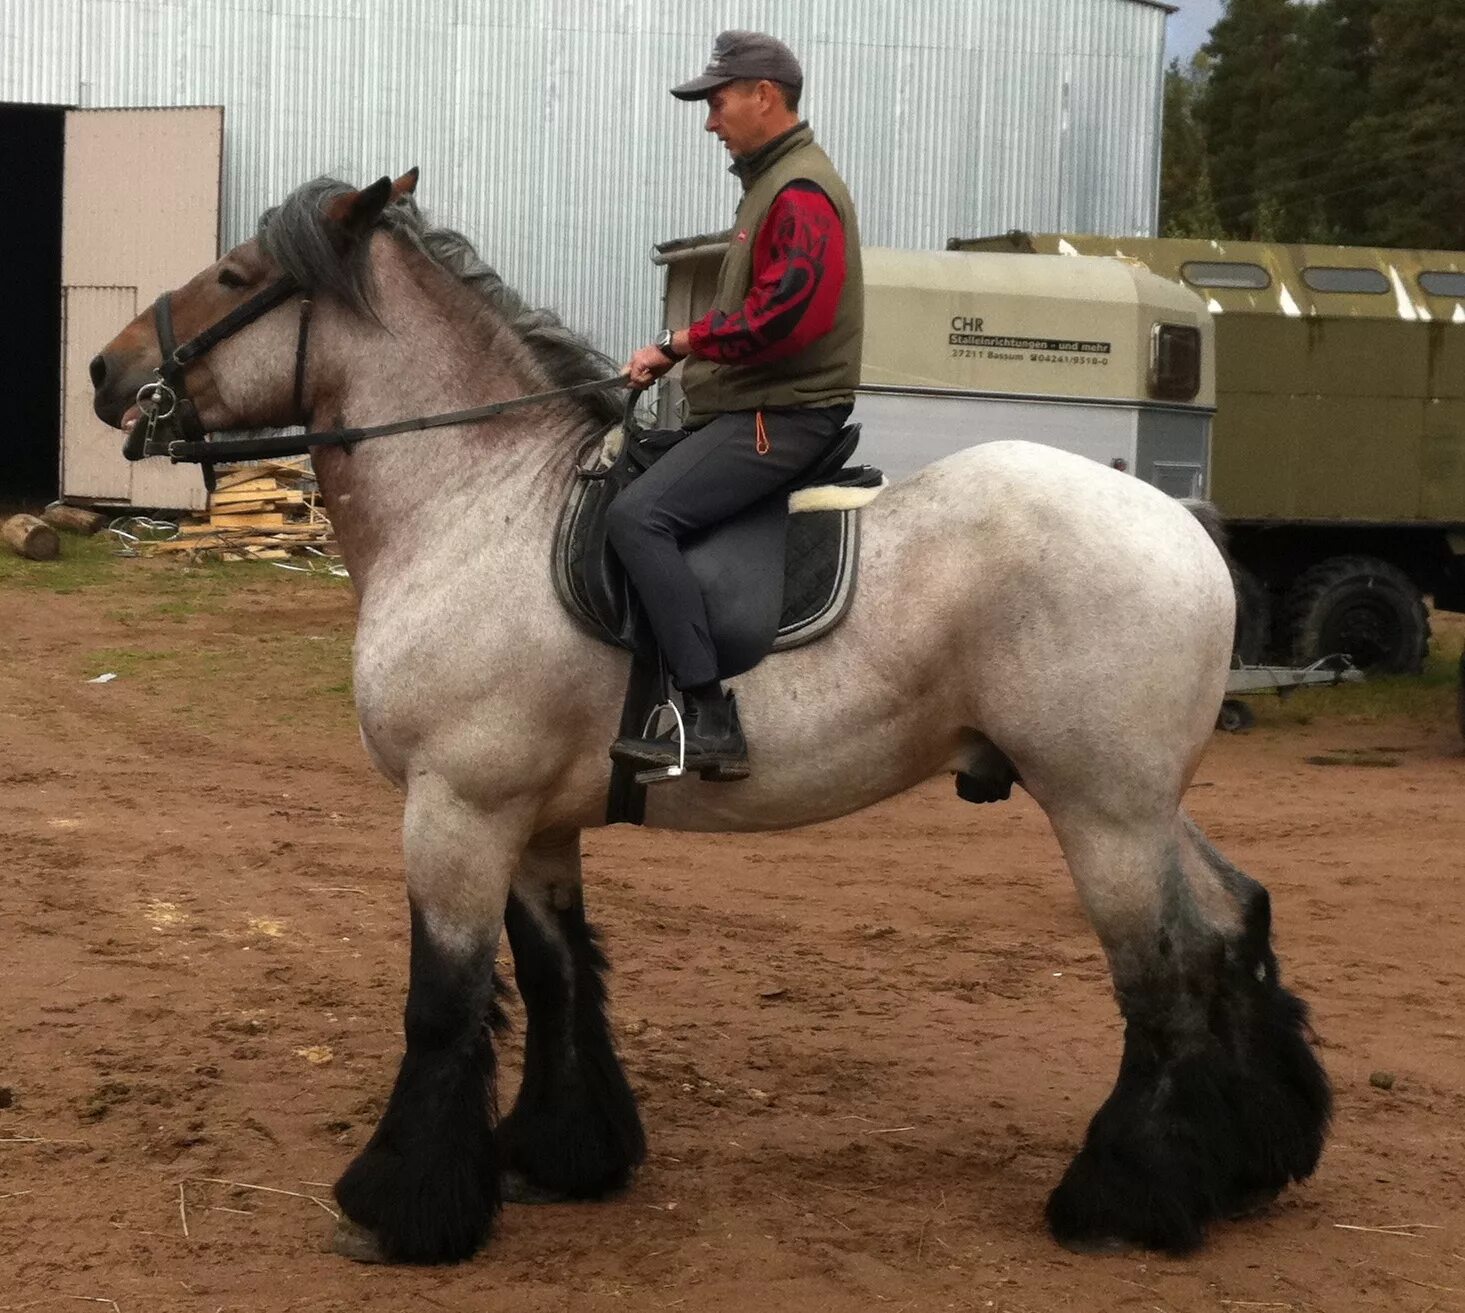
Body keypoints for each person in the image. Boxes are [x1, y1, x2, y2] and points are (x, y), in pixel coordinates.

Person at [607, 28, 864, 781]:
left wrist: (679, 341)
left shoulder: (800, 191)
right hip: (753, 408)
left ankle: (708, 714)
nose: (709, 120)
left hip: (780, 416)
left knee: (638, 516)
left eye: (717, 102)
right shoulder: (770, 184)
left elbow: (787, 316)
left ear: (764, 96)